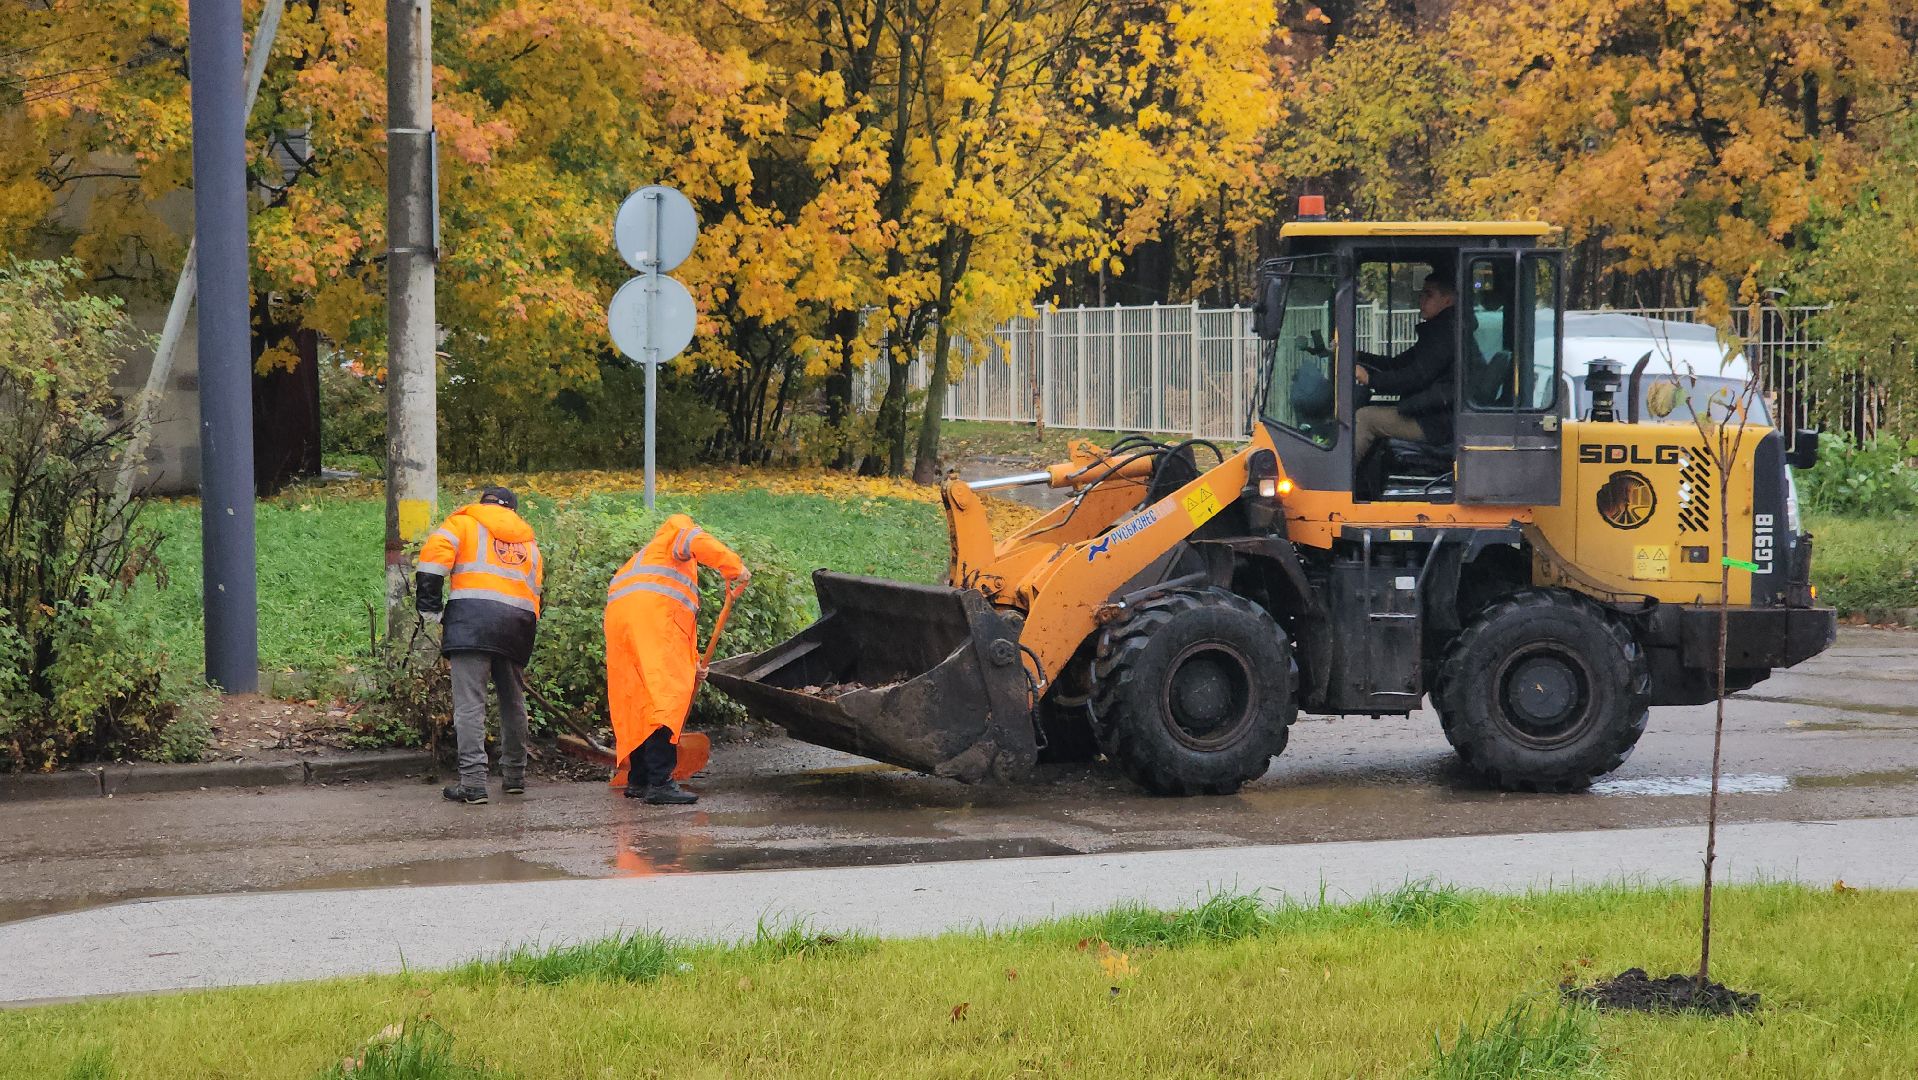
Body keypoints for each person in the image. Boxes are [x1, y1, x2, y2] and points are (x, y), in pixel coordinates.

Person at [605, 514, 748, 805]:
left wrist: (692, 662)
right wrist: (735, 567)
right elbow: (694, 539)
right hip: (652, 625)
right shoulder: (676, 535)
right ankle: (660, 783)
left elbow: (678, 623)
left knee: (638, 699)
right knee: (665, 700)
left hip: (623, 629)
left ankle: (639, 779)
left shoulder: (639, 563)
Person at [415, 487, 544, 805]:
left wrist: (431, 611)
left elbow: (431, 564)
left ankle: (473, 784)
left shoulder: (462, 523)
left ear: (482, 503)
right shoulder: (528, 542)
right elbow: (535, 593)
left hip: (471, 622)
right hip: (517, 625)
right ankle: (514, 777)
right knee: (513, 702)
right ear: (512, 510)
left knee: (470, 705)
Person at [1353, 272, 1459, 466]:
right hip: (1433, 414)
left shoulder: (1445, 335)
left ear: (1448, 300)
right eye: (1422, 293)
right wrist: (1359, 356)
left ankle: (1336, 479)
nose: (1421, 299)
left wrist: (1371, 380)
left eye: (1429, 294)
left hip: (1436, 423)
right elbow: (1398, 364)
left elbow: (1416, 377)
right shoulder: (1442, 331)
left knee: (1365, 418)